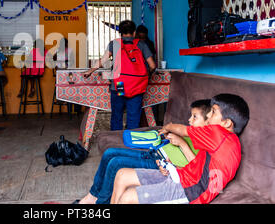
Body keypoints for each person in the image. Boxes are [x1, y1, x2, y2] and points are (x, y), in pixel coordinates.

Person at [110, 93, 249, 204]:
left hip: (190, 191)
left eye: (213, 112)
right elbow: (201, 167)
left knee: (128, 197)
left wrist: (167, 127)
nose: (208, 115)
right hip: (181, 177)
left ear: (227, 123)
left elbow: (182, 130)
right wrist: (172, 168)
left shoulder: (221, 136)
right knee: (122, 175)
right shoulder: (222, 143)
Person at [75, 99, 211, 204]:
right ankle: (92, 196)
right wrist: (169, 134)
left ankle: (101, 203)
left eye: (194, 117)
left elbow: (196, 168)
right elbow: (177, 131)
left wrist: (181, 144)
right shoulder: (192, 132)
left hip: (162, 165)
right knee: (109, 153)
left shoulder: (206, 141)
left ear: (208, 121)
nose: (189, 120)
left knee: (116, 163)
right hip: (156, 153)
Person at [84, 20, 156, 131]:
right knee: (133, 117)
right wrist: (147, 75)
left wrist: (90, 71)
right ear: (134, 32)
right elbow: (152, 65)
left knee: (117, 115)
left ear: (120, 32)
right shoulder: (141, 44)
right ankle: (131, 141)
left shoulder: (115, 44)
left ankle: (116, 141)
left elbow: (103, 60)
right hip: (136, 87)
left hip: (119, 85)